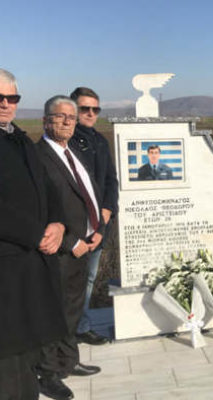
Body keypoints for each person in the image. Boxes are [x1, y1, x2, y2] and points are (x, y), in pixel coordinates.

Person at [0, 69, 68, 400]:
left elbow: (48, 186)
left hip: (31, 264)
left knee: (27, 355)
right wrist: (35, 233)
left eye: (12, 97)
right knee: (7, 361)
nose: (5, 104)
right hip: (6, 268)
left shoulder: (20, 139)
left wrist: (57, 223)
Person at [37, 95, 104, 400]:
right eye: (60, 116)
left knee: (72, 310)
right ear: (45, 120)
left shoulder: (71, 152)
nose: (67, 121)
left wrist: (97, 230)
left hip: (84, 246)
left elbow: (86, 193)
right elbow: (37, 209)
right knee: (53, 312)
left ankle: (68, 360)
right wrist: (70, 241)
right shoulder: (37, 156)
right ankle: (48, 373)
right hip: (59, 251)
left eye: (72, 117)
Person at [69, 87, 118, 346]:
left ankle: (81, 327)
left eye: (95, 109)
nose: (90, 113)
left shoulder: (100, 141)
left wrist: (107, 212)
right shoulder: (65, 141)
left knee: (88, 278)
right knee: (69, 281)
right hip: (73, 227)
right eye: (84, 108)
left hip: (99, 227)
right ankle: (64, 333)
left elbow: (111, 180)